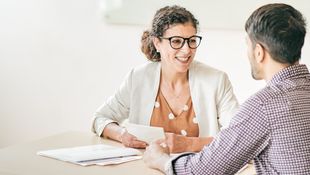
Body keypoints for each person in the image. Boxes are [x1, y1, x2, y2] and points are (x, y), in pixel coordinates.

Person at [143, 3, 310, 174]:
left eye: (248, 44)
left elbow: (203, 171)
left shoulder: (263, 106)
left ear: (258, 52)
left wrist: (161, 160)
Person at [91, 5, 239, 153]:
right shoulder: (138, 78)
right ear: (157, 43)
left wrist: (190, 145)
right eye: (176, 41)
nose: (187, 50)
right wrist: (122, 135)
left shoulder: (217, 80)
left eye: (192, 40)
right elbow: (100, 118)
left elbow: (239, 136)